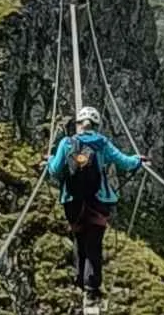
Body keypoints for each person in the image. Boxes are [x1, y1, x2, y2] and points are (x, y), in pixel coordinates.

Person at [46, 103, 143, 299]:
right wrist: (138, 160)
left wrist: (48, 160)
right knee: (94, 244)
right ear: (96, 125)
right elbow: (124, 162)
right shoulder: (102, 143)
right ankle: (92, 287)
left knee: (80, 239)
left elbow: (55, 170)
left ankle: (80, 279)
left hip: (73, 202)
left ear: (79, 124)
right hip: (98, 201)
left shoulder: (66, 143)